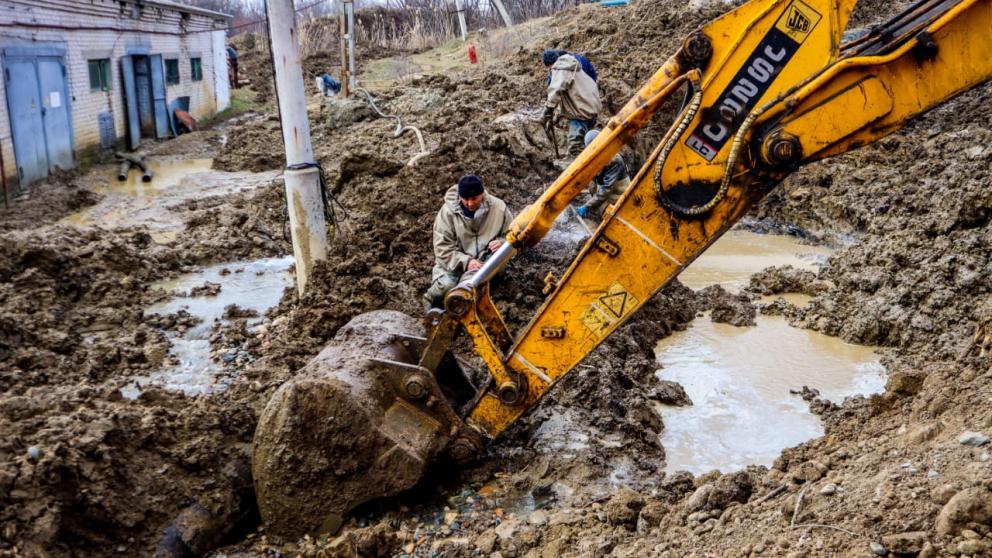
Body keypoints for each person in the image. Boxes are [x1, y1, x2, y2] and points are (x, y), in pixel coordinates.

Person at [423, 174, 514, 311]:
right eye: (465, 199)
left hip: (486, 262)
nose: (470, 204)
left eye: (474, 199)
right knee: (446, 287)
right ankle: (430, 306)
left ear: (482, 194)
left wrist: (501, 242)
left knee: (495, 283)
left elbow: (512, 235)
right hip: (454, 266)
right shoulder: (447, 213)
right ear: (459, 196)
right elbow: (443, 248)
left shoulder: (498, 208)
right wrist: (467, 262)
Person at [541, 49, 602, 157]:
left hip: (581, 112)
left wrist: (548, 110)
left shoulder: (560, 68)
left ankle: (588, 170)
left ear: (549, 65)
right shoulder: (572, 64)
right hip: (591, 106)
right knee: (588, 142)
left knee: (576, 145)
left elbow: (556, 90)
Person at [575, 129, 630, 225]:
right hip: (607, 193)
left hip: (619, 195)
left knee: (608, 217)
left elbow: (607, 188)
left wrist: (588, 206)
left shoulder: (614, 160)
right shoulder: (597, 156)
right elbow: (593, 181)